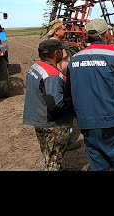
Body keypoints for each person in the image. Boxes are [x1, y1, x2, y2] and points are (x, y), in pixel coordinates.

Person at [64, 19, 114, 171]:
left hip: (87, 125)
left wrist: (81, 118)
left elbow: (68, 95)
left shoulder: (74, 60)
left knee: (99, 166)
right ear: (106, 34)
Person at [22, 39, 74, 171]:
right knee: (52, 162)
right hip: (52, 124)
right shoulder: (52, 74)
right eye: (61, 50)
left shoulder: (35, 67)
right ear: (56, 53)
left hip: (38, 119)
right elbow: (56, 104)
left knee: (49, 155)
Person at [46, 18, 81, 151]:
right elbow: (58, 66)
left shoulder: (54, 44)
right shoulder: (54, 46)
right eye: (63, 28)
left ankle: (65, 140)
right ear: (56, 31)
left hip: (62, 80)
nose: (66, 30)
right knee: (65, 111)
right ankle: (65, 142)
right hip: (61, 82)